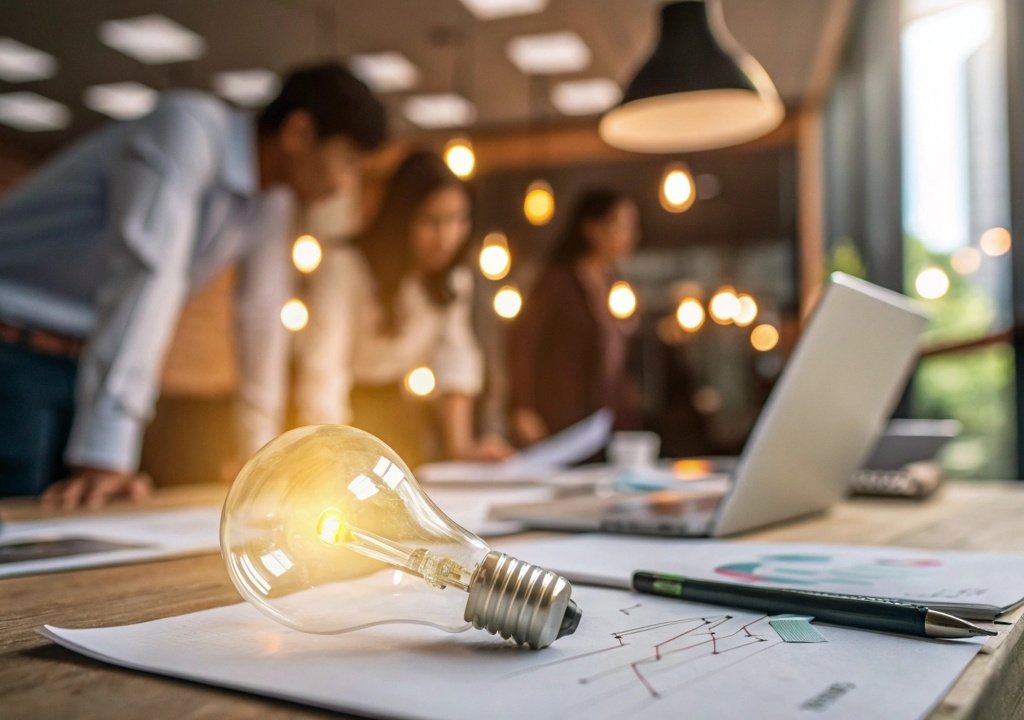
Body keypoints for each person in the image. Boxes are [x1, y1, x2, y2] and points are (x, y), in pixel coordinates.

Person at [0, 63, 387, 507]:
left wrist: (258, 460)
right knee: (19, 535)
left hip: (81, 359)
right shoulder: (184, 130)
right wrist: (107, 455)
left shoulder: (271, 201)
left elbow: (262, 319)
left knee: (64, 534)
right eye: (348, 161)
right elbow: (148, 275)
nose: (345, 184)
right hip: (12, 346)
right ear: (299, 132)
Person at [296, 150, 510, 467]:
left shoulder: (453, 280)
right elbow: (324, 370)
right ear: (401, 217)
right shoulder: (345, 267)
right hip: (342, 417)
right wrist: (331, 459)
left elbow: (456, 357)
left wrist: (462, 446)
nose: (445, 237)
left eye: (457, 219)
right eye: (431, 221)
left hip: (400, 415)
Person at [508, 188, 641, 445]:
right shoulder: (557, 281)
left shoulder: (614, 285)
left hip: (604, 421)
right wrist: (521, 406)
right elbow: (523, 343)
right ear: (592, 228)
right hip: (560, 418)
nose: (632, 236)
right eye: (623, 225)